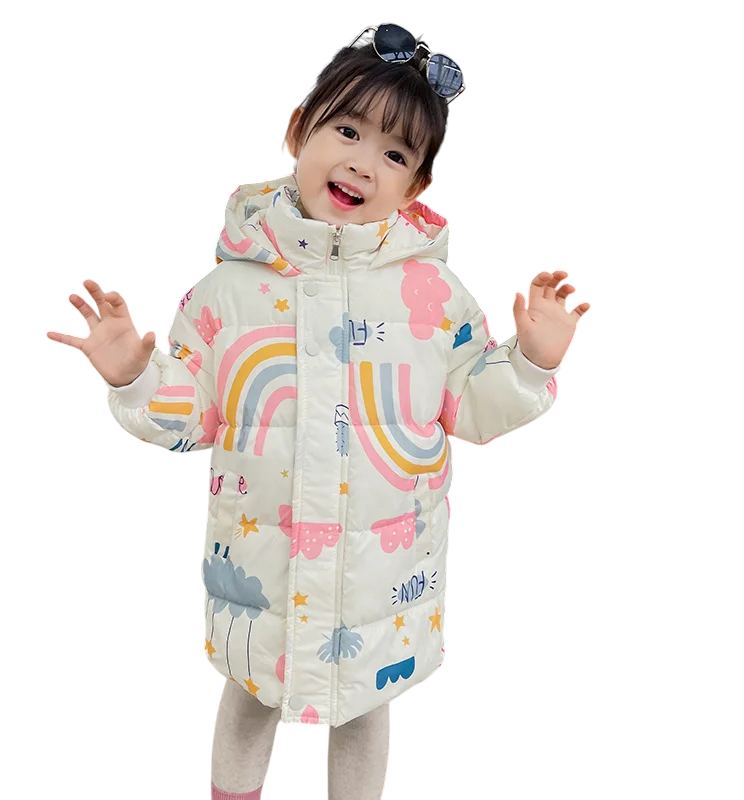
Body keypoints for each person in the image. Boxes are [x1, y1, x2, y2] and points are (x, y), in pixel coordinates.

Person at [47, 23, 590, 800]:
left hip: (381, 574)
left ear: (416, 188)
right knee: (250, 694)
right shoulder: (229, 292)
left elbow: (471, 406)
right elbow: (193, 415)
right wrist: (136, 376)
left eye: (396, 155)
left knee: (364, 704)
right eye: (348, 130)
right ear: (300, 129)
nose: (364, 162)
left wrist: (531, 360)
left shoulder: (434, 299)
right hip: (260, 564)